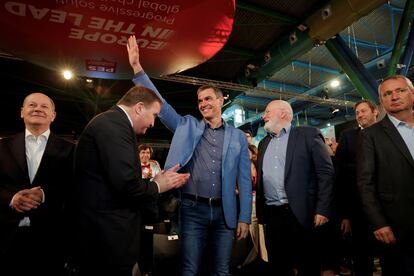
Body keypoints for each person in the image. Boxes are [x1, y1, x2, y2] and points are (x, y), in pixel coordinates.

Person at [127, 35, 252, 276]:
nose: (203, 103)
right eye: (199, 100)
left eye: (208, 98)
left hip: (225, 213)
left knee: (222, 270)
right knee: (190, 269)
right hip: (192, 210)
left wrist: (244, 217)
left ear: (220, 100)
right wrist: (137, 69)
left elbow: (244, 180)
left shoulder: (237, 137)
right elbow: (160, 105)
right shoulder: (186, 126)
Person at [71, 85, 190, 276]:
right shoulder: (114, 126)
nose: (153, 123)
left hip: (106, 234)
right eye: (154, 115)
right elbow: (127, 185)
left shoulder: (113, 123)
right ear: (139, 107)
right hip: (106, 238)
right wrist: (159, 185)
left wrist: (156, 180)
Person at [256, 100, 335, 276]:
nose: (264, 116)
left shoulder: (308, 135)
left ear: (283, 113)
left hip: (301, 214)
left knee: (308, 265)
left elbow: (325, 173)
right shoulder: (263, 144)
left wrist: (323, 209)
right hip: (272, 215)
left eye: (268, 111)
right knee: (277, 265)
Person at [0, 92, 74, 275]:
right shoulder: (2, 146)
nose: (38, 109)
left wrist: (44, 195)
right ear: (22, 112)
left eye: (44, 106)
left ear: (53, 115)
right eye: (32, 105)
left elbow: (75, 188)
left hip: (50, 238)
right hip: (5, 236)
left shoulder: (71, 150)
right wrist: (11, 198)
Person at [357, 75, 414, 276]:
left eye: (400, 90)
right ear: (381, 101)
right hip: (397, 228)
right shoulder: (370, 135)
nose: (394, 96)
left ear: (412, 94)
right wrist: (378, 223)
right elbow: (365, 183)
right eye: (387, 93)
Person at [336, 99, 379, 276]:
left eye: (363, 111)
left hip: (387, 203)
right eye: (357, 113)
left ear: (375, 111)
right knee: (362, 255)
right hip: (358, 206)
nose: (360, 115)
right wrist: (345, 213)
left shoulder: (387, 133)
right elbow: (340, 174)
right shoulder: (348, 136)